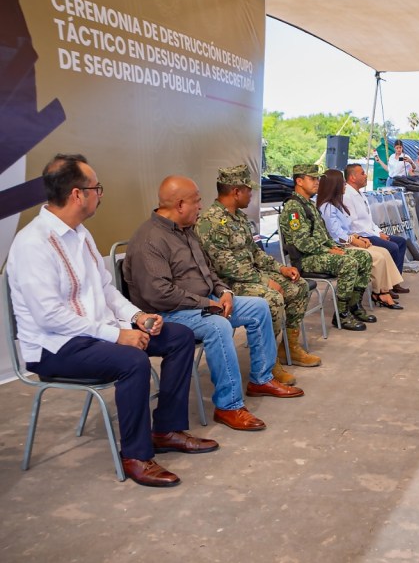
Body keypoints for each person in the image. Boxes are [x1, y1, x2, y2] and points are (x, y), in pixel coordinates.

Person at [8, 153, 215, 487]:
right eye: (97, 188)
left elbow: (105, 290)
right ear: (77, 194)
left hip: (94, 333)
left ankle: (166, 430)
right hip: (54, 346)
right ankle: (136, 456)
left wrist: (137, 317)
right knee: (132, 360)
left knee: (178, 337)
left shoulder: (81, 234)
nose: (100, 194)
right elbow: (50, 317)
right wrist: (117, 335)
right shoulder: (33, 243)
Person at [125, 175, 304, 433]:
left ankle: (261, 379)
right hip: (167, 314)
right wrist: (206, 303)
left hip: (204, 303)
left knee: (258, 307)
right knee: (218, 326)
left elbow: (208, 271)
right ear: (180, 205)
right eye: (196, 201)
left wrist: (224, 292)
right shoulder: (150, 240)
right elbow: (158, 294)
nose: (201, 206)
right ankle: (228, 406)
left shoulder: (186, 231)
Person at [196, 164, 318, 388]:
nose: (251, 194)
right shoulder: (211, 221)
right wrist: (264, 281)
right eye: (248, 190)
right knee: (272, 298)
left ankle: (288, 347)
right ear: (236, 192)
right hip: (226, 285)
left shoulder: (240, 218)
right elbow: (224, 266)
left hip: (250, 276)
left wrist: (280, 269)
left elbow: (255, 252)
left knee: (298, 286)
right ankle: (268, 365)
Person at [279, 164, 375, 330]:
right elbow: (302, 243)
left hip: (319, 254)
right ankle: (341, 315)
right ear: (299, 181)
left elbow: (324, 235)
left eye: (317, 179)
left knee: (364, 257)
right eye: (312, 179)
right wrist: (329, 250)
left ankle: (354, 306)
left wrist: (334, 247)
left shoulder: (309, 204)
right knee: (348, 263)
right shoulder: (294, 208)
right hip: (306, 259)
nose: (317, 182)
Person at [318, 169, 404, 309]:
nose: (345, 185)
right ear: (334, 185)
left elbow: (347, 229)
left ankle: (384, 290)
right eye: (342, 182)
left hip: (350, 239)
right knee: (378, 257)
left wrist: (357, 237)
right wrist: (355, 240)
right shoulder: (327, 207)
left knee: (384, 252)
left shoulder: (336, 204)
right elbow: (336, 235)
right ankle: (381, 292)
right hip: (339, 246)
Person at [343, 163, 409, 292]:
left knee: (401, 242)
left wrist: (379, 232)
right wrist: (377, 235)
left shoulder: (360, 194)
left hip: (370, 232)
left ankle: (395, 282)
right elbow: (354, 224)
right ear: (352, 177)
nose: (365, 176)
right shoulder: (347, 196)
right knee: (392, 247)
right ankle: (386, 287)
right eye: (362, 173)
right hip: (361, 235)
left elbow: (369, 220)